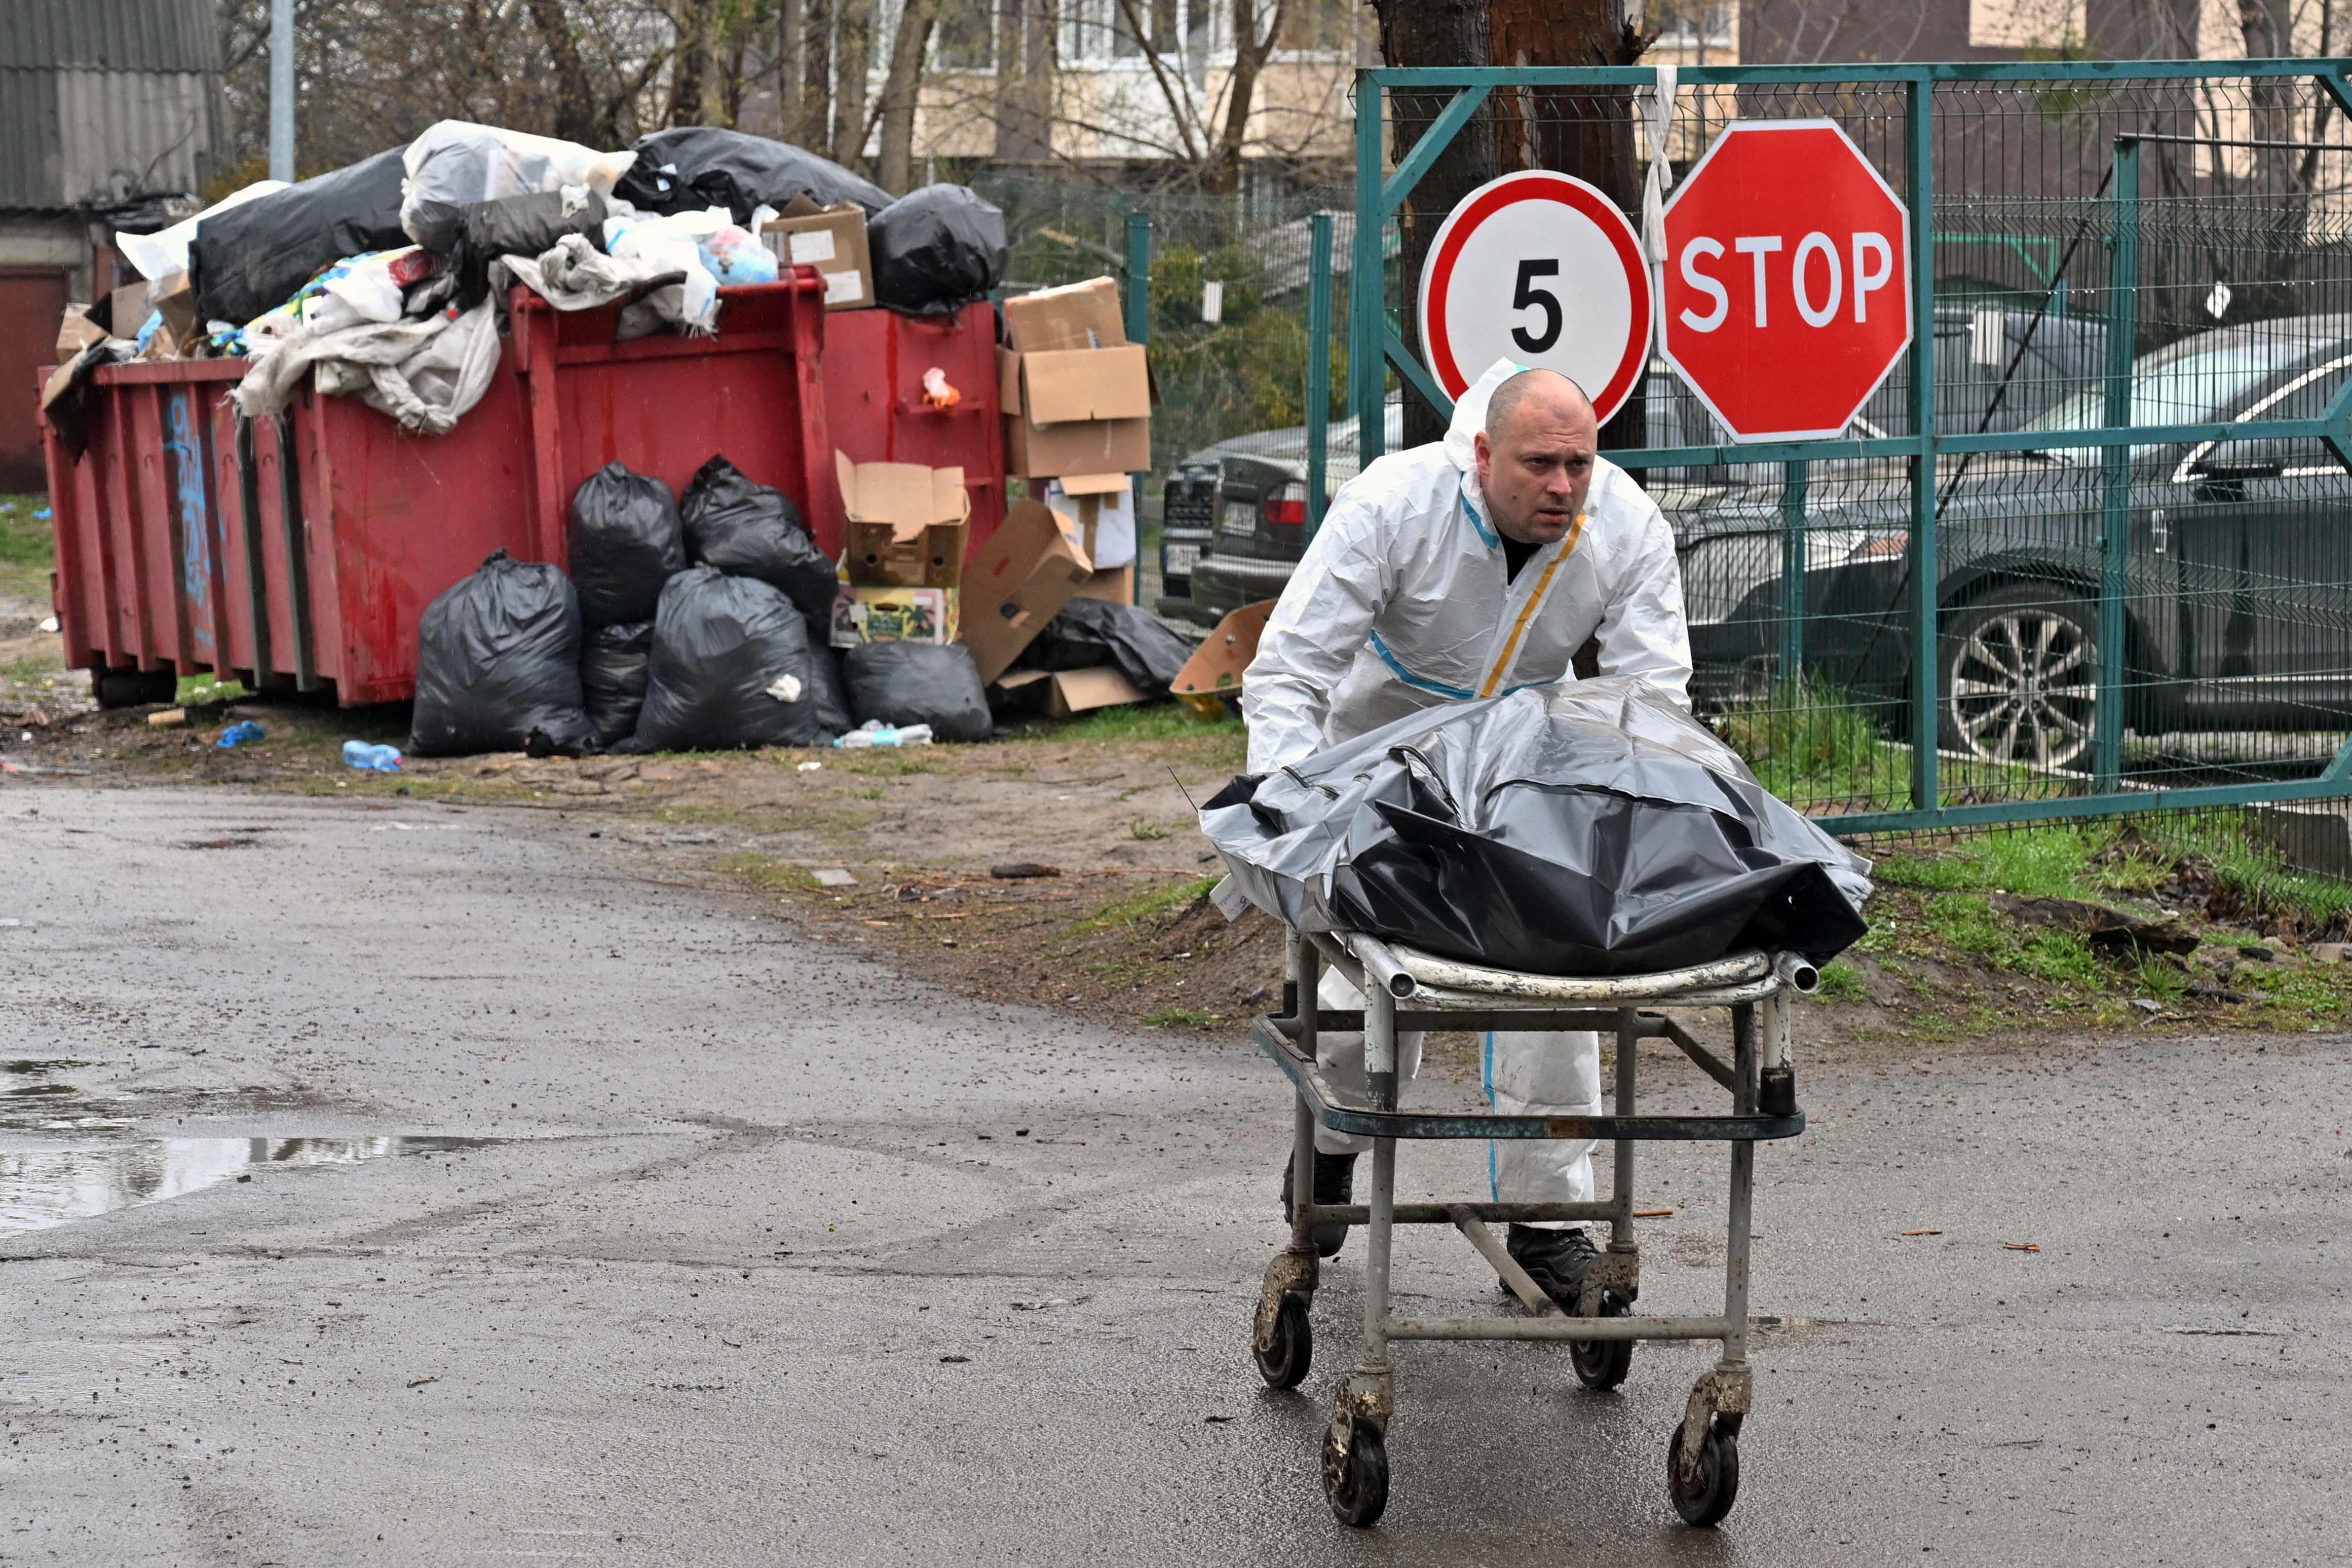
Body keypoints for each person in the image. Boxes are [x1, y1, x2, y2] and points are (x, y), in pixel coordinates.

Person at [1242, 358, 1692, 1310]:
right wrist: (1294, 807)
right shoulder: (1392, 507)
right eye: (1538, 463)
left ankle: (1546, 1225)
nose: (1561, 486)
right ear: (1483, 453)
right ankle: (1329, 1148)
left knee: (1556, 988)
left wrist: (1640, 824)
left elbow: (1654, 698)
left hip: (1525, 771)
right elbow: (1289, 672)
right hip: (1379, 769)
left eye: (1578, 462)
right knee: (1366, 996)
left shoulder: (1622, 523)